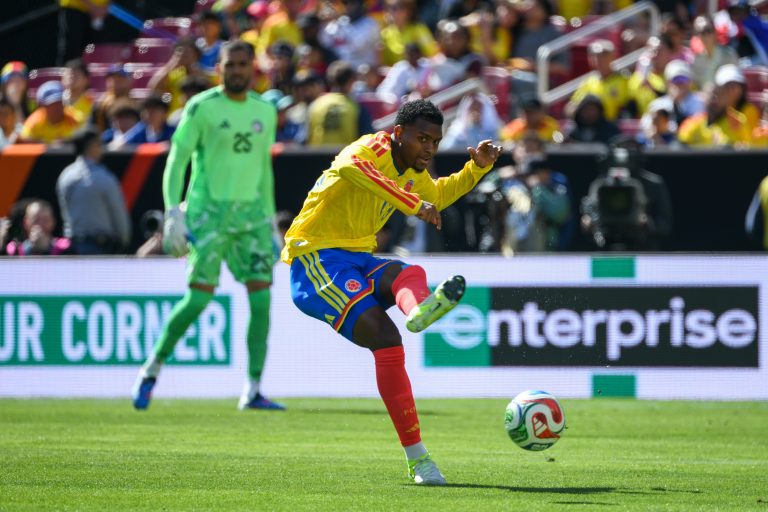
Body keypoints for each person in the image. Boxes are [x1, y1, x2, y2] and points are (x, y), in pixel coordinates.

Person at [281, 98, 502, 485]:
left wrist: (476, 169)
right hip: (314, 259)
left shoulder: (413, 171)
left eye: (435, 141)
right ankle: (419, 461)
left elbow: (437, 196)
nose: (429, 149)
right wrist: (412, 204)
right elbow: (352, 168)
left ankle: (417, 311)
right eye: (422, 139)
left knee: (407, 272)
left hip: (357, 258)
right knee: (385, 338)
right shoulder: (372, 146)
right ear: (399, 133)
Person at [131, 40, 284, 412]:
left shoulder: (266, 110)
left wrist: (270, 220)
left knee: (262, 299)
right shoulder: (201, 107)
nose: (236, 71)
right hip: (208, 214)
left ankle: (252, 389)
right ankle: (152, 368)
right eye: (230, 64)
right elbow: (177, 161)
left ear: (252, 69)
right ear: (221, 68)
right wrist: (173, 212)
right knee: (199, 298)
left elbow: (263, 169)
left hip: (250, 217)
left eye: (242, 65)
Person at [56, 128, 131, 254]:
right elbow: (118, 214)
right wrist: (124, 240)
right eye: (99, 144)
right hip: (100, 248)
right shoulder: (104, 177)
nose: (102, 148)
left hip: (72, 247)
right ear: (90, 147)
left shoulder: (65, 176)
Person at [307, 60, 373, 146]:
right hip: (346, 158)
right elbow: (367, 142)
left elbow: (305, 139)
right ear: (351, 81)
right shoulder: (356, 108)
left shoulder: (315, 105)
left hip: (316, 158)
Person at [567, 39, 629, 122]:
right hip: (593, 125)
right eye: (594, 55)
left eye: (604, 55)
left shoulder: (625, 80)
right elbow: (573, 104)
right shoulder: (588, 82)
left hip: (615, 126)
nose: (598, 59)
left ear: (613, 56)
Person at [5, 199, 73, 256]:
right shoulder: (14, 250)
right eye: (35, 220)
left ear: (53, 222)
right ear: (26, 222)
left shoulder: (65, 247)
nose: (40, 225)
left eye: (45, 220)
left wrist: (45, 249)